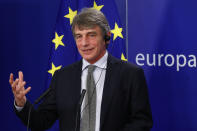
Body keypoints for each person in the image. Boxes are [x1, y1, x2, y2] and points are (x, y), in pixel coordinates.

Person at [9, 8, 153, 131]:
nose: (84, 43)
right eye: (79, 36)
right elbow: (40, 122)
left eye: (91, 35)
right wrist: (22, 103)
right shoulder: (62, 77)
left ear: (107, 37)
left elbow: (142, 122)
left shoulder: (130, 74)